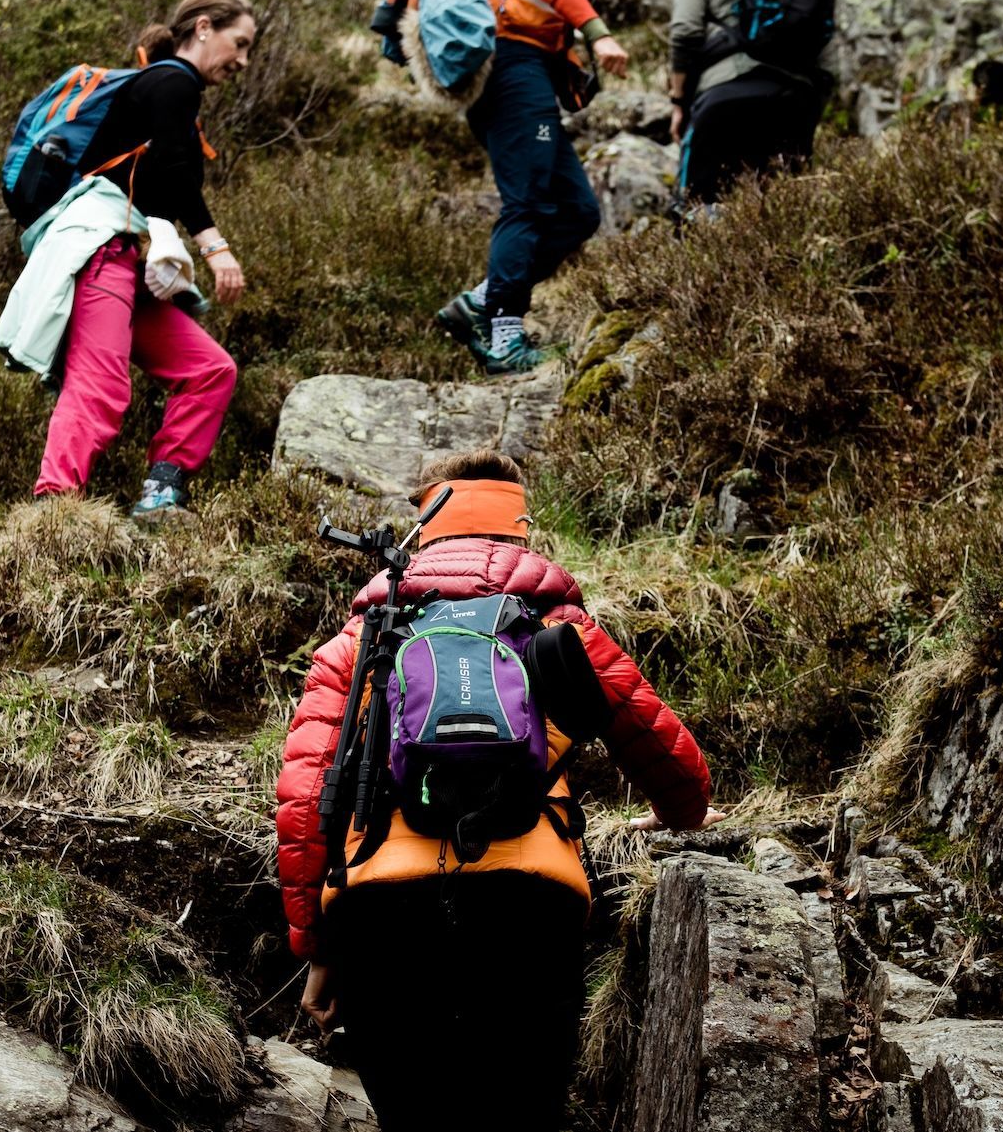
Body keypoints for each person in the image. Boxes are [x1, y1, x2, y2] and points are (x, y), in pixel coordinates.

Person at [275, 450, 720, 1132]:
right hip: (529, 897)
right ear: (520, 534)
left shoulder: (361, 639)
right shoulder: (559, 631)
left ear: (426, 532)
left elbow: (305, 803)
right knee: (522, 1108)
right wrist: (680, 812)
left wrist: (318, 949)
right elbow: (677, 765)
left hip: (381, 908)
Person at [22, 0, 251, 518]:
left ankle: (160, 492)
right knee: (100, 386)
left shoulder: (168, 89)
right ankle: (54, 513)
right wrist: (215, 248)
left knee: (210, 370)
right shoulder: (173, 81)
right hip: (100, 250)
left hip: (127, 257)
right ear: (202, 29)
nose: (243, 60)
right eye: (238, 43)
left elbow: (162, 181)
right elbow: (174, 169)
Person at [435, 0, 638, 375]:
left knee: (576, 212)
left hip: (519, 67)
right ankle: (503, 334)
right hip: (512, 63)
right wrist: (599, 33)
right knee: (528, 203)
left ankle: (478, 304)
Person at [668, 0, 831, 201]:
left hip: (726, 96)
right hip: (796, 99)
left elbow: (684, 31)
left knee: (696, 211)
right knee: (787, 214)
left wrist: (679, 101)